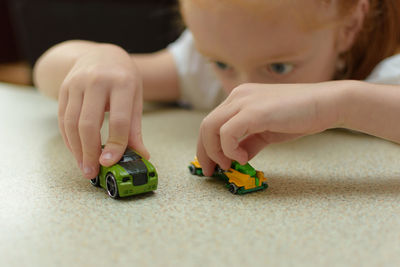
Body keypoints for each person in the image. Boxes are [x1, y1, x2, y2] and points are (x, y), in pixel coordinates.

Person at [34, 0, 400, 179]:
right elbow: (46, 69)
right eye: (221, 63)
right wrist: (101, 58)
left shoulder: (385, 70)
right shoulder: (203, 68)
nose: (243, 88)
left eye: (279, 67)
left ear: (350, 27)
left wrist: (341, 102)